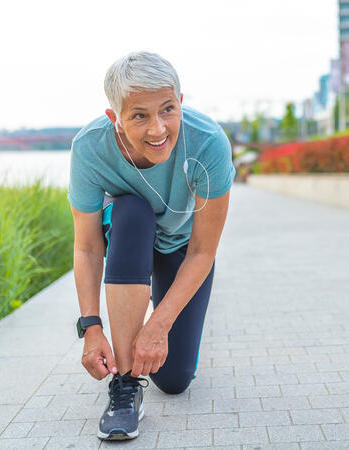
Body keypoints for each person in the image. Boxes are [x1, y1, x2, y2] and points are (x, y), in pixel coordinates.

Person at [67, 51, 235, 441]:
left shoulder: (208, 143)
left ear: (181, 102)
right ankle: (124, 389)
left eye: (167, 109)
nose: (158, 129)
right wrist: (91, 327)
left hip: (183, 248)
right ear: (116, 119)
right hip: (128, 236)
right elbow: (88, 248)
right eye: (139, 115)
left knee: (174, 380)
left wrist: (157, 325)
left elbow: (203, 251)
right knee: (131, 211)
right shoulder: (90, 148)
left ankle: (146, 339)